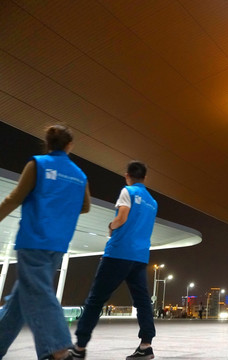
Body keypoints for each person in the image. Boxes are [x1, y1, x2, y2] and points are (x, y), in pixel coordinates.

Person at [0, 125, 91, 360]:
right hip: (58, 244)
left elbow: (14, 198)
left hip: (33, 239)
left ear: (48, 143)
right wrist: (62, 210)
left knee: (39, 293)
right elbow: (85, 206)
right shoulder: (80, 175)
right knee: (19, 304)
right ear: (70, 146)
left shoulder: (38, 164)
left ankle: (58, 350)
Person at [70, 161, 158, 360]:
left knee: (95, 300)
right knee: (143, 302)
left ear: (127, 175)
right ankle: (146, 345)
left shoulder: (127, 191)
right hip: (140, 256)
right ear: (145, 177)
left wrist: (111, 225)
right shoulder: (153, 202)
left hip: (119, 253)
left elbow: (122, 218)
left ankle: (80, 347)